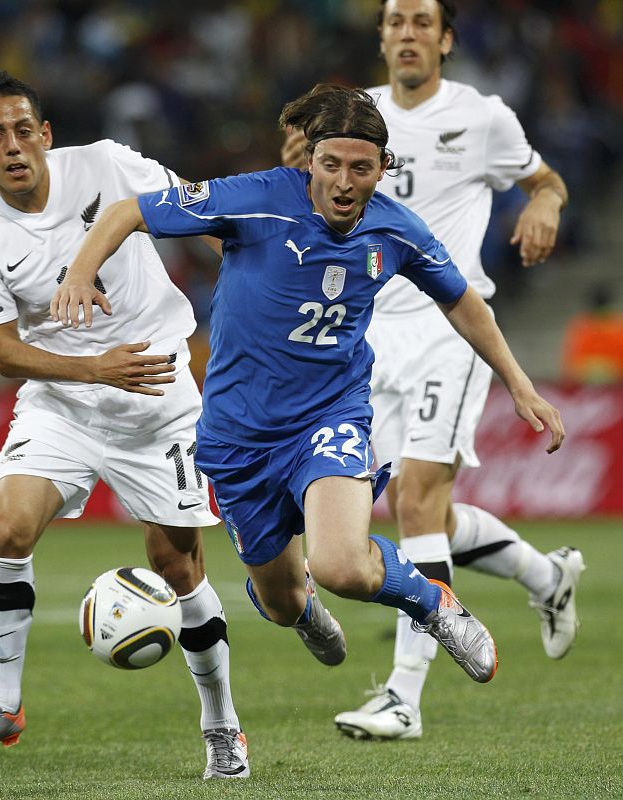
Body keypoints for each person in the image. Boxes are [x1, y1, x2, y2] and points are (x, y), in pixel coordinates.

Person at [51, 85, 567, 726]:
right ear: (309, 161)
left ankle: (432, 602)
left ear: (383, 168)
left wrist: (519, 384)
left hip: (330, 415)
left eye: (361, 168)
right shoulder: (255, 199)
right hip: (237, 436)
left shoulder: (396, 228)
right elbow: (126, 211)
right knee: (281, 601)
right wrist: (80, 273)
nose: (345, 182)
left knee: (342, 566)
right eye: (332, 165)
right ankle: (301, 609)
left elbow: (462, 301)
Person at [281, 0, 584, 742]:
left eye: (422, 21)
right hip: (367, 337)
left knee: (416, 498)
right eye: (395, 22)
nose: (407, 33)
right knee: (429, 518)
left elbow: (547, 181)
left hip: (451, 328)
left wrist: (545, 204)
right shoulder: (355, 119)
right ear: (382, 37)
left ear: (445, 39)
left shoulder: (482, 117)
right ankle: (547, 577)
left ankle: (404, 698)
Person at [0, 72, 249, 781]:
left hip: (157, 394)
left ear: (45, 135)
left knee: (179, 567)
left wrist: (249, 283)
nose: (13, 146)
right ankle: (2, 702)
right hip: (64, 401)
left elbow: (207, 216)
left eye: (24, 130)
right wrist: (93, 370)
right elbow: (1, 352)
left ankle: (221, 723)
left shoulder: (109, 165)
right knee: (7, 528)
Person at [561, 284, 623, 384]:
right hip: (587, 380)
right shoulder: (583, 327)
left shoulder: (617, 326)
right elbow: (574, 360)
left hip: (615, 380)